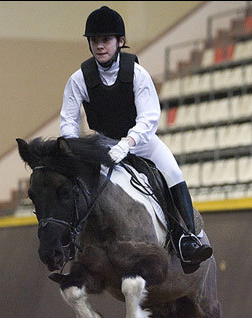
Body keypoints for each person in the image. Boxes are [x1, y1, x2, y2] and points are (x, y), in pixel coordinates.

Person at [59, 5, 212, 268]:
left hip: (141, 143)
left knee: (173, 172)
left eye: (106, 40)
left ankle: (188, 237)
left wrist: (127, 143)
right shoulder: (78, 79)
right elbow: (68, 121)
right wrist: (74, 150)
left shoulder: (137, 74)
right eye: (94, 40)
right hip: (103, 145)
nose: (99, 46)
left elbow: (149, 117)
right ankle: (70, 241)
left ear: (120, 41)